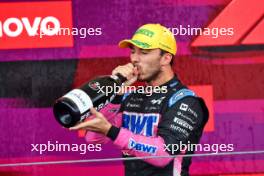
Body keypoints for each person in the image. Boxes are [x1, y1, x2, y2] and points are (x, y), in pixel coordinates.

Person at [70, 24, 209, 176]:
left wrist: (111, 131)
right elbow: (94, 139)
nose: (134, 59)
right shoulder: (130, 96)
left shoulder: (186, 101)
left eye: (144, 52)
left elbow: (163, 154)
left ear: (166, 58)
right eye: (133, 52)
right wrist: (116, 95)